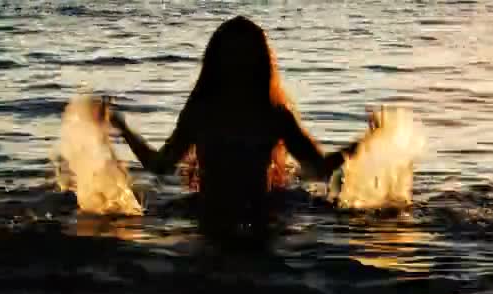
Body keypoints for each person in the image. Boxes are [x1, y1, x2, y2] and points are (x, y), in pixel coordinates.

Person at [110, 16, 365, 235]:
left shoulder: (274, 115)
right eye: (232, 55)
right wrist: (122, 128)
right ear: (216, 62)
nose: (238, 64)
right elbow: (162, 165)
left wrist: (365, 143)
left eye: (245, 56)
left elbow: (318, 167)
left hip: (259, 221)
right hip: (212, 221)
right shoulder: (202, 112)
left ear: (259, 62)